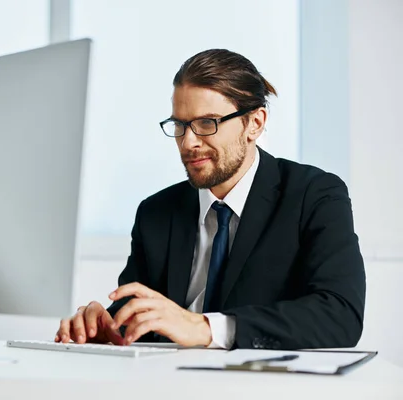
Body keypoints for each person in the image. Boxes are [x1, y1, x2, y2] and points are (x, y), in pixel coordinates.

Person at [55, 49, 366, 350]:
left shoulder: (314, 195)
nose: (188, 142)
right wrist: (106, 329)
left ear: (254, 123)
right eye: (180, 125)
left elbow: (340, 314)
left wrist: (204, 328)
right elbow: (138, 317)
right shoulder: (156, 212)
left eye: (207, 123)